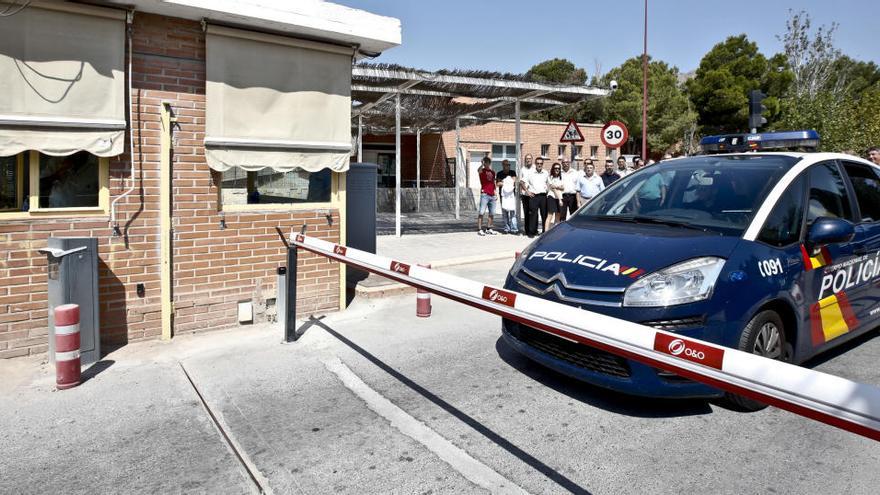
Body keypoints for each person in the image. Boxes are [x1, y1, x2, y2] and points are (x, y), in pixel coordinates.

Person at [524, 158, 549, 237]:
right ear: (535, 164)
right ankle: (532, 232)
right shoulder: (530, 173)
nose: (539, 165)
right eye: (538, 163)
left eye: (541, 163)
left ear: (543, 164)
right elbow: (522, 182)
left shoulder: (545, 173)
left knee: (544, 214)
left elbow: (549, 183)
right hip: (533, 196)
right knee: (533, 215)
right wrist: (527, 192)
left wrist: (547, 191)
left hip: (543, 196)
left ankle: (544, 232)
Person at [476, 156, 497, 236]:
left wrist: (495, 193)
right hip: (484, 194)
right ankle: (479, 229)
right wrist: (481, 164)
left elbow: (493, 183)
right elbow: (478, 170)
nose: (486, 164)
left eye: (488, 162)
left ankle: (489, 228)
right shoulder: (482, 171)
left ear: (489, 163)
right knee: (481, 212)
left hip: (492, 195)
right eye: (485, 162)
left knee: (492, 213)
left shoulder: (493, 172)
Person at [545, 163, 564, 231]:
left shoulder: (561, 178)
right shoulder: (550, 177)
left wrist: (557, 186)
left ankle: (555, 232)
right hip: (552, 197)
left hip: (559, 198)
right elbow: (553, 189)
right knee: (550, 216)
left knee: (558, 217)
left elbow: (563, 188)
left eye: (558, 168)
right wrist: (560, 200)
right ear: (553, 169)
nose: (557, 169)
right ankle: (545, 233)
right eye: (556, 168)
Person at [519, 154, 535, 230]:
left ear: (532, 159)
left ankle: (533, 229)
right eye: (527, 159)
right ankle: (527, 229)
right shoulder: (522, 169)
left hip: (533, 194)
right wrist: (525, 191)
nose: (528, 160)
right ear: (525, 160)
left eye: (529, 158)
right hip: (525, 194)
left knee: (533, 212)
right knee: (526, 212)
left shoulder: (535, 168)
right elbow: (520, 182)